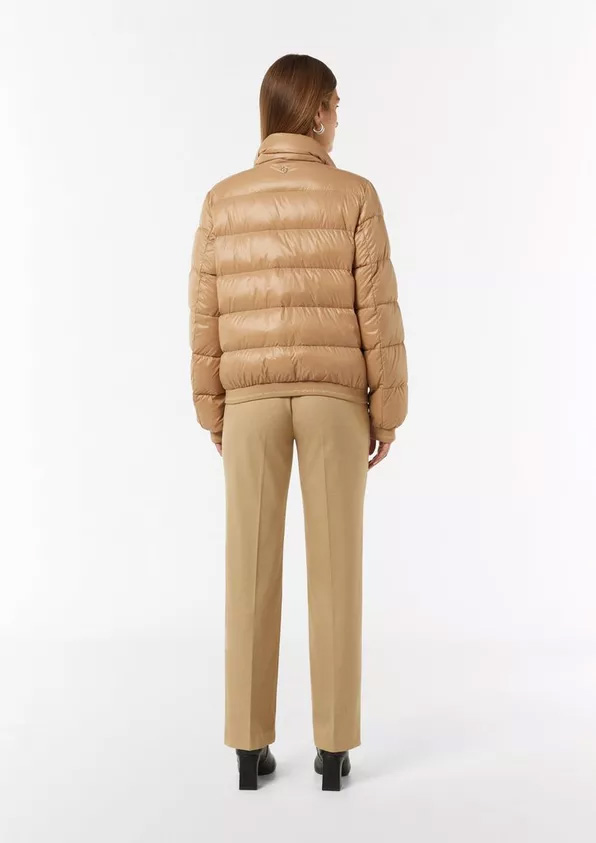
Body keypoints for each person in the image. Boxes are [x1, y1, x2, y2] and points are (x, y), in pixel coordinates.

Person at [188, 53, 408, 791]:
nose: (339, 119)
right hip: (334, 402)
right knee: (336, 570)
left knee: (248, 570)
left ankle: (248, 749)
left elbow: (204, 316)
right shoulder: (355, 195)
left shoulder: (223, 201)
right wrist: (388, 410)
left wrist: (212, 407)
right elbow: (378, 311)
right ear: (315, 112)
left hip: (249, 403)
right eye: (335, 106)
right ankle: (334, 751)